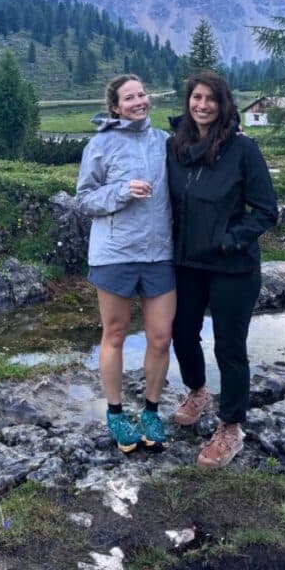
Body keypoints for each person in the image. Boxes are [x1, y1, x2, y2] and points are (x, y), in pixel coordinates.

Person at [167, 71, 277, 468]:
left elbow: (267, 211)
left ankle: (231, 427)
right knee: (181, 332)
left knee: (229, 346)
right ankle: (198, 391)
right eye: (196, 97)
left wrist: (229, 240)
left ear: (224, 103)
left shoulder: (244, 150)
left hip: (233, 267)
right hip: (187, 262)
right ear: (188, 101)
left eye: (211, 99)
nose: (203, 105)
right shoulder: (174, 147)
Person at [76, 74, 175, 453]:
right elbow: (84, 200)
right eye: (129, 97)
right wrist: (120, 192)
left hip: (159, 253)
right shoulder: (100, 145)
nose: (139, 101)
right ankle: (116, 413)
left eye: (142, 94)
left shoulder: (164, 142)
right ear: (115, 107)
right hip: (115, 255)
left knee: (161, 337)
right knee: (115, 334)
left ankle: (151, 410)